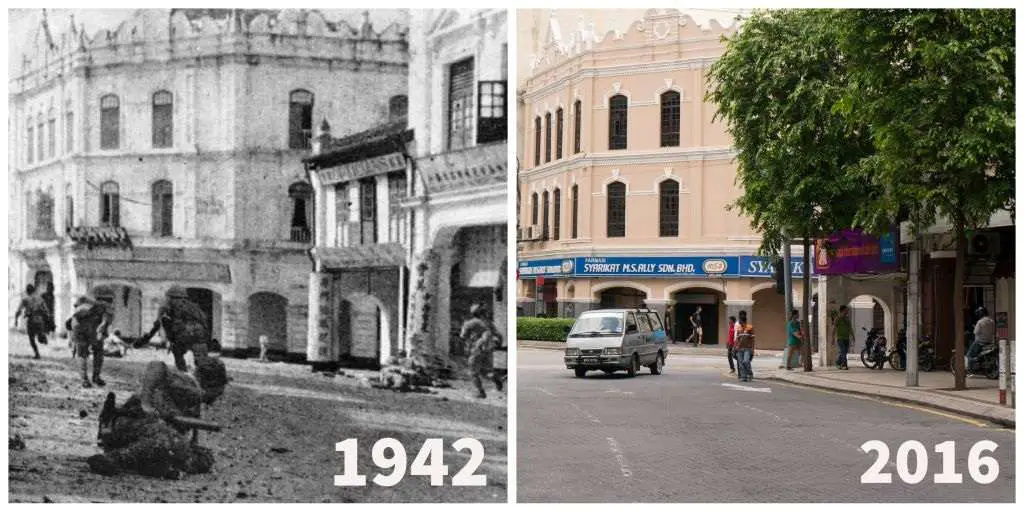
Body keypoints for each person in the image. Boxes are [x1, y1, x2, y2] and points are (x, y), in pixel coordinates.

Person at [87, 344, 228, 479]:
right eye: (220, 390)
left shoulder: (195, 400)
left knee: (200, 456)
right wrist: (146, 404)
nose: (219, 396)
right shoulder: (189, 384)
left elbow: (191, 440)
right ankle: (114, 459)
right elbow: (156, 366)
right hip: (125, 424)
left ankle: (156, 466)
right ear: (212, 384)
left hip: (140, 435)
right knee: (170, 441)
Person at [139, 286, 209, 372]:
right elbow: (204, 320)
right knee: (201, 360)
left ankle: (183, 373)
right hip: (199, 335)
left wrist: (145, 339)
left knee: (177, 352)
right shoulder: (193, 307)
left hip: (183, 335)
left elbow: (157, 325)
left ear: (169, 297)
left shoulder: (166, 307)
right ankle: (204, 374)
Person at [460, 303, 503, 399]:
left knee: (473, 372)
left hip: (476, 349)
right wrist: (498, 345)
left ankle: (481, 392)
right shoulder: (489, 323)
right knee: (485, 371)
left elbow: (463, 336)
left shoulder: (469, 323)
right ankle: (495, 378)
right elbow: (499, 336)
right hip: (488, 350)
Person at [71, 293, 114, 388]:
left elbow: (75, 310)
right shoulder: (107, 307)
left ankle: (84, 380)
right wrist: (101, 334)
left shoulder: (86, 302)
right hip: (91, 326)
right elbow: (104, 323)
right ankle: (96, 377)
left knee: (82, 354)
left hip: (77, 325)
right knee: (98, 351)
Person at [14, 284, 50, 360]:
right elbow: (46, 311)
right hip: (40, 320)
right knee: (39, 337)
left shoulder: (25, 299)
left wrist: (16, 319)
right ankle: (42, 336)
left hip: (31, 321)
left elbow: (19, 310)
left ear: (27, 291)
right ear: (33, 290)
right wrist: (47, 320)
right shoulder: (40, 299)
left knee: (31, 338)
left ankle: (37, 354)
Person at [967, 306, 996, 373]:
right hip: (989, 342)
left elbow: (976, 332)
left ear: (980, 314)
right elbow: (993, 331)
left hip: (979, 342)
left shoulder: (980, 322)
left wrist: (974, 327)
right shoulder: (992, 321)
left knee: (969, 355)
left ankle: (970, 370)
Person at [735, 311, 755, 382]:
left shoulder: (750, 327)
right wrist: (736, 347)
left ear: (743, 320)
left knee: (746, 361)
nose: (739, 321)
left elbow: (753, 339)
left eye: (740, 320)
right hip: (739, 348)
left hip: (747, 348)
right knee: (740, 363)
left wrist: (752, 349)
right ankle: (744, 376)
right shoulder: (738, 328)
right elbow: (737, 338)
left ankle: (750, 373)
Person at [832, 305, 852, 370]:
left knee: (844, 352)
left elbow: (850, 328)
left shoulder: (847, 318)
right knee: (843, 351)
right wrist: (832, 338)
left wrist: (853, 336)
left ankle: (838, 362)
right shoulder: (837, 318)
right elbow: (834, 328)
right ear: (842, 310)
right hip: (840, 338)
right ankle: (844, 365)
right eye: (846, 310)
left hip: (847, 338)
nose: (847, 311)